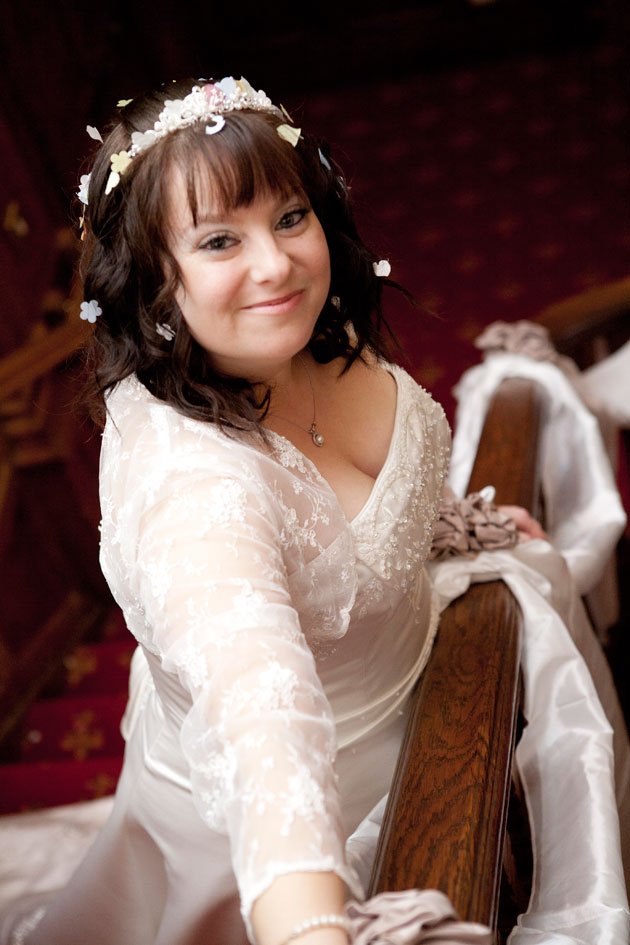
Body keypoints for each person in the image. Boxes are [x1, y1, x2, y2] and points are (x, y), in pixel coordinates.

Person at [1, 75, 626, 945]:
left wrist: (440, 526)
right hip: (304, 826)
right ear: (155, 282)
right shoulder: (196, 497)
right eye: (220, 239)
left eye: (288, 218)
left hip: (418, 705)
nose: (276, 263)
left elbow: (345, 513)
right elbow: (265, 726)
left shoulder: (291, 338)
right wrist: (310, 927)